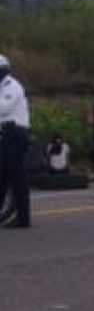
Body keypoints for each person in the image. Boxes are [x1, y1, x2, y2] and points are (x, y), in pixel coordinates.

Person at [0, 54, 32, 228]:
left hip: (15, 135)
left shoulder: (12, 86)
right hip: (5, 136)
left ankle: (23, 217)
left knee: (17, 177)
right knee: (2, 177)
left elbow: (4, 109)